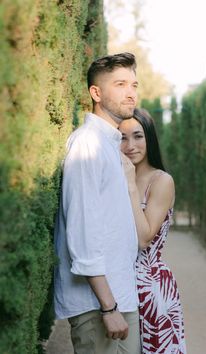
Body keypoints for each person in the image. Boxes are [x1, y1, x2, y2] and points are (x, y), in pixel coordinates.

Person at [54, 53, 141, 354]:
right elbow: (83, 232)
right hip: (99, 306)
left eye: (134, 84)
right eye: (120, 84)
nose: (131, 92)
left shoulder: (108, 144)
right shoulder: (87, 144)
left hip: (120, 298)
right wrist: (108, 307)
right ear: (96, 93)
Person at [119, 108, 187, 354]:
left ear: (150, 138)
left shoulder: (162, 181)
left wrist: (130, 185)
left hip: (151, 286)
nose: (130, 145)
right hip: (116, 283)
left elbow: (145, 238)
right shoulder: (113, 176)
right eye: (122, 138)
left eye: (138, 136)